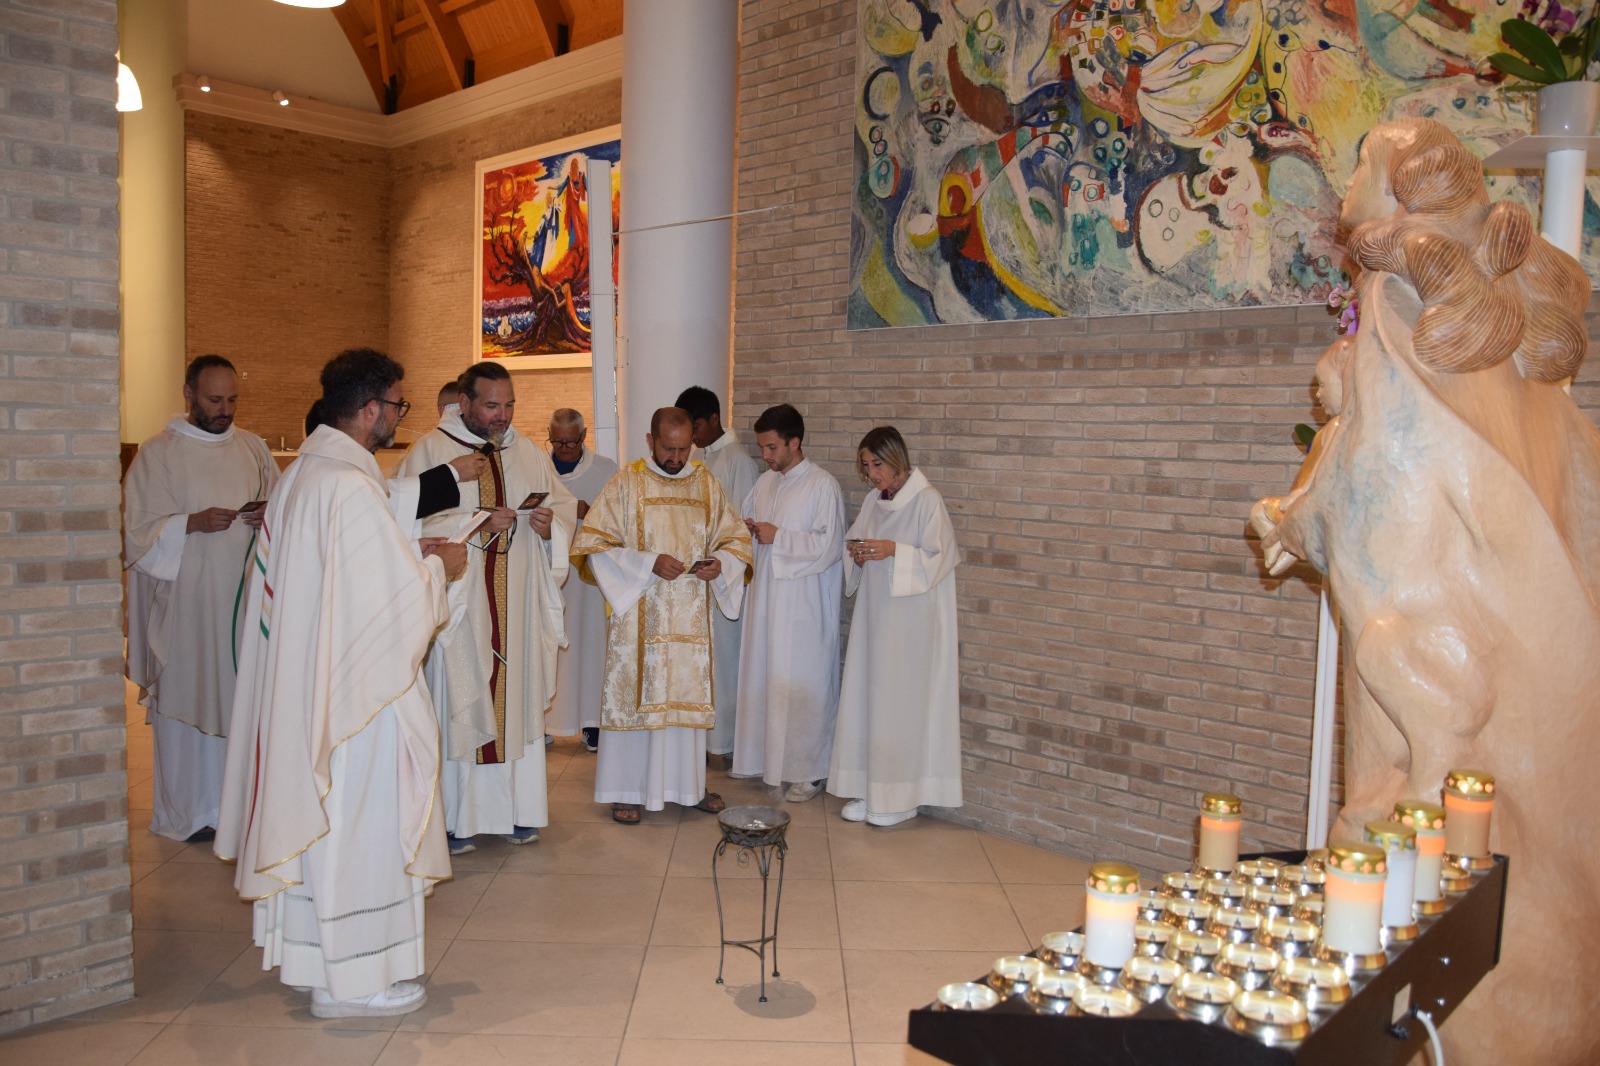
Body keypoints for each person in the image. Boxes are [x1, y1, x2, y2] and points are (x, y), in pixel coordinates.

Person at [215, 348, 466, 1018]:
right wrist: (441, 569)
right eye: (398, 405)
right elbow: (389, 609)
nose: (399, 417)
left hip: (312, 685)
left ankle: (320, 966)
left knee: (325, 829)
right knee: (359, 827)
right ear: (370, 408)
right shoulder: (348, 485)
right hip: (356, 701)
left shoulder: (306, 472)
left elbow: (340, 583)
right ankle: (355, 981)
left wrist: (409, 556)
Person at [396, 362, 576, 854]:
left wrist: (549, 529)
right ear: (465, 403)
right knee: (463, 698)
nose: (503, 416)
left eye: (510, 405)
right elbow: (405, 528)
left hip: (515, 609)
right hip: (461, 611)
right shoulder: (430, 452)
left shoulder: (528, 452)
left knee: (514, 701)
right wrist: (477, 522)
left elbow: (563, 510)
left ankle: (517, 812)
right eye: (492, 405)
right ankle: (457, 820)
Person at [570, 407, 753, 823]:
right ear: (650, 441)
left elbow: (736, 539)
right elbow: (593, 545)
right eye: (668, 449)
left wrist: (721, 564)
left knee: (683, 699)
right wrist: (647, 563)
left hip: (689, 618)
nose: (676, 458)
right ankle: (626, 790)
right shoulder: (626, 484)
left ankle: (687, 787)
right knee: (637, 700)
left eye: (684, 449)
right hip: (639, 617)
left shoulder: (705, 483)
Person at [124, 355, 279, 843]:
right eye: (214, 400)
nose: (225, 410)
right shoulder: (159, 453)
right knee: (189, 698)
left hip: (241, 607)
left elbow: (285, 507)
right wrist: (189, 522)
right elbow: (135, 533)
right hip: (187, 610)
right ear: (188, 394)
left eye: (232, 400)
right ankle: (189, 813)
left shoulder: (253, 448)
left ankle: (236, 810)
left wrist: (270, 515)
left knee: (241, 702)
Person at [827, 427, 962, 827]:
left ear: (897, 459)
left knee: (900, 705)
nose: (872, 474)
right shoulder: (874, 500)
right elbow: (855, 540)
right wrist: (856, 552)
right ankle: (871, 788)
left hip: (911, 624)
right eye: (866, 466)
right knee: (870, 699)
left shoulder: (927, 500)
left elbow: (940, 558)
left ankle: (901, 798)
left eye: (878, 464)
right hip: (875, 619)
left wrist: (893, 551)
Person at [731, 404, 845, 802]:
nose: (766, 455)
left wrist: (778, 535)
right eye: (763, 447)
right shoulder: (766, 483)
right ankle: (768, 762)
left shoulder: (822, 485)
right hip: (766, 598)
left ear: (794, 442)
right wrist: (748, 530)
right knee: (768, 676)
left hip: (803, 606)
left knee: (803, 681)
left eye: (772, 447)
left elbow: (829, 546)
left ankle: (809, 771)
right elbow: (745, 523)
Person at [674, 385, 760, 763]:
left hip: (723, 577)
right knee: (702, 663)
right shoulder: (699, 457)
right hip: (696, 577)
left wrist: (722, 561)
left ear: (713, 419)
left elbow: (741, 528)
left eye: (694, 426)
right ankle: (705, 743)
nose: (690, 436)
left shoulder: (738, 460)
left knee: (724, 661)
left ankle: (724, 745)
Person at [544, 408, 618, 752]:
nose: (563, 449)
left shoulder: (605, 470)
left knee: (590, 647)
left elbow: (619, 521)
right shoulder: (538, 468)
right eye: (556, 441)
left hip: (588, 576)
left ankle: (592, 722)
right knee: (548, 648)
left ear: (584, 436)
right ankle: (544, 722)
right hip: (549, 572)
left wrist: (589, 515)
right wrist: (562, 512)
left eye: (570, 442)